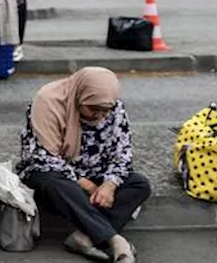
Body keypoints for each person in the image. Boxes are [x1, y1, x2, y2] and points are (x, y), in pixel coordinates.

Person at [16, 68, 148, 263]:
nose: (99, 116)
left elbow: (122, 153)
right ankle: (114, 239)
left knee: (139, 184)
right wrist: (87, 185)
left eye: (105, 110)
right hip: (55, 175)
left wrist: (109, 185)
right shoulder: (48, 102)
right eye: (93, 109)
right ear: (79, 96)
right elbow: (41, 156)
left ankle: (83, 237)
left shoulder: (113, 107)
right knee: (53, 181)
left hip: (96, 173)